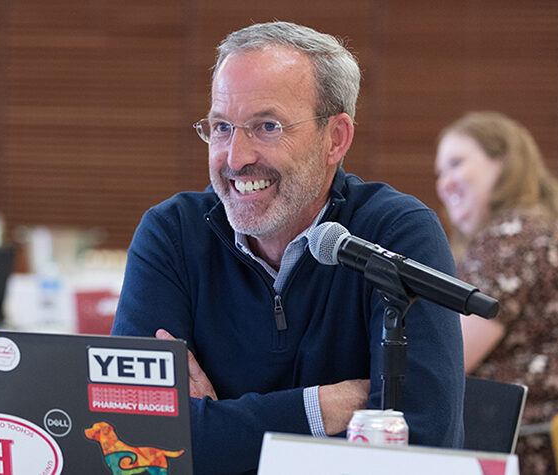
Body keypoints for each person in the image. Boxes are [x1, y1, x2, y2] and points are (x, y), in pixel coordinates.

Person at [112, 21, 465, 474]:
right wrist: (321, 409)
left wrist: (213, 428)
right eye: (222, 126)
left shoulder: (396, 234)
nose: (236, 157)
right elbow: (132, 440)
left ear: (335, 138)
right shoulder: (172, 234)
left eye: (267, 126)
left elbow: (421, 446)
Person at [435, 111, 558, 474]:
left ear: (504, 164)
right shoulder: (556, 231)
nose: (444, 183)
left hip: (526, 448)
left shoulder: (511, 238)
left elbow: (449, 358)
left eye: (456, 163)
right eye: (440, 172)